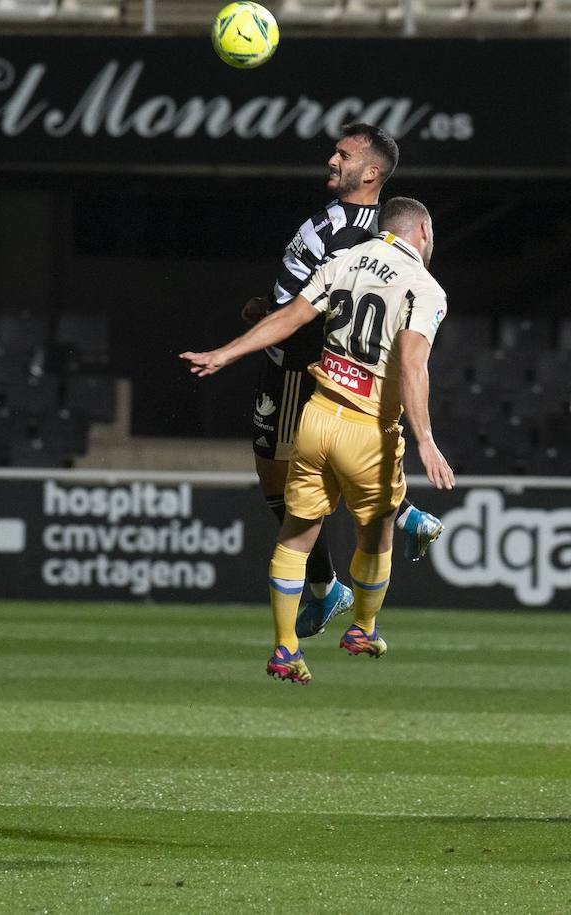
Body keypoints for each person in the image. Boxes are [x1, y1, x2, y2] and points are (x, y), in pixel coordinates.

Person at [182, 197, 456, 684]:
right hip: (370, 431)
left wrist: (227, 353)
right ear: (423, 233)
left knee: (295, 535)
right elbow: (414, 365)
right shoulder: (426, 288)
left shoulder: (344, 260)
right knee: (376, 532)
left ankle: (285, 648)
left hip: (316, 417)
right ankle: (363, 628)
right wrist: (426, 439)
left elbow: (289, 319)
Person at [238, 123, 443, 641]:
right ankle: (401, 519)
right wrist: (269, 306)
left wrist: (281, 325)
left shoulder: (363, 234)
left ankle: (328, 584)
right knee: (291, 477)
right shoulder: (339, 219)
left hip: (296, 366)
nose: (332, 160)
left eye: (343, 155)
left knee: (279, 479)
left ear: (371, 171)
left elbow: (337, 304)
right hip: (286, 353)